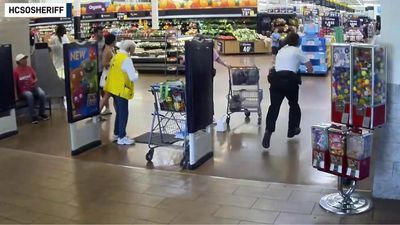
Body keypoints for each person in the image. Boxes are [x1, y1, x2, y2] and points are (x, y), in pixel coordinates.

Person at [262, 32, 314, 149]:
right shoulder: (297, 51)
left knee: (274, 107)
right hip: (290, 81)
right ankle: (293, 129)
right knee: (294, 105)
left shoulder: (281, 50)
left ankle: (268, 130)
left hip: (276, 80)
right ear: (297, 41)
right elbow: (310, 67)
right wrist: (308, 71)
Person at [104, 40, 138, 145]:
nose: (133, 52)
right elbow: (133, 77)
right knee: (123, 113)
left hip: (113, 87)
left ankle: (116, 133)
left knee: (119, 112)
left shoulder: (116, 56)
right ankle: (122, 137)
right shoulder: (126, 59)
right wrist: (137, 73)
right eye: (133, 50)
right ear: (129, 49)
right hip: (122, 89)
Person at [13, 54, 49, 124]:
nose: (25, 60)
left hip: (33, 87)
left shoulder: (29, 68)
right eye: (23, 59)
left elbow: (36, 78)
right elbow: (14, 84)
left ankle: (42, 113)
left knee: (42, 94)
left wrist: (34, 81)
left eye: (25, 59)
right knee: (29, 95)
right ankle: (33, 116)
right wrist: (15, 96)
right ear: (19, 62)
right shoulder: (15, 71)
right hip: (23, 91)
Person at [99, 33, 116, 116]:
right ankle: (96, 114)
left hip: (110, 75)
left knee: (107, 96)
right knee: (106, 96)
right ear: (112, 41)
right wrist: (114, 63)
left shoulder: (110, 49)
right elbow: (104, 63)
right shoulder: (107, 50)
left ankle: (98, 113)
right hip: (107, 76)